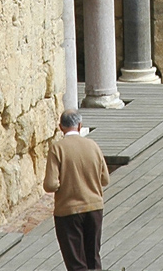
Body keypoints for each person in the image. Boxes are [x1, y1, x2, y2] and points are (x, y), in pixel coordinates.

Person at [45, 111, 110, 271]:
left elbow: (50, 184)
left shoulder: (57, 149)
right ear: (80, 125)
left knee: (76, 262)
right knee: (93, 258)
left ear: (61, 127)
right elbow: (105, 179)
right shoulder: (93, 145)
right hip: (94, 207)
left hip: (68, 211)